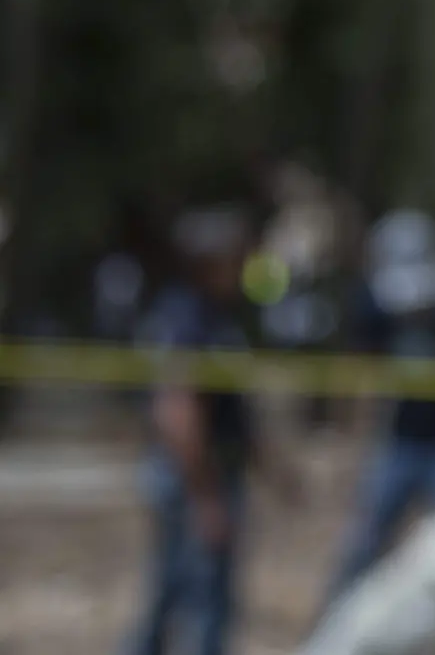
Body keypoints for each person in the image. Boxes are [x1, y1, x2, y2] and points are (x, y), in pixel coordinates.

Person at [320, 210, 435, 655]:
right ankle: (332, 634)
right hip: (403, 440)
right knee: (365, 540)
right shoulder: (373, 304)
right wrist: (346, 433)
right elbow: (357, 366)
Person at [128, 206, 297, 655]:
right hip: (197, 478)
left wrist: (271, 467)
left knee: (176, 595)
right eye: (237, 256)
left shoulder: (215, 316)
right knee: (199, 603)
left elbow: (234, 410)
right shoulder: (187, 317)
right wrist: (205, 496)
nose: (244, 265)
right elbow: (177, 412)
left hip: (211, 474)